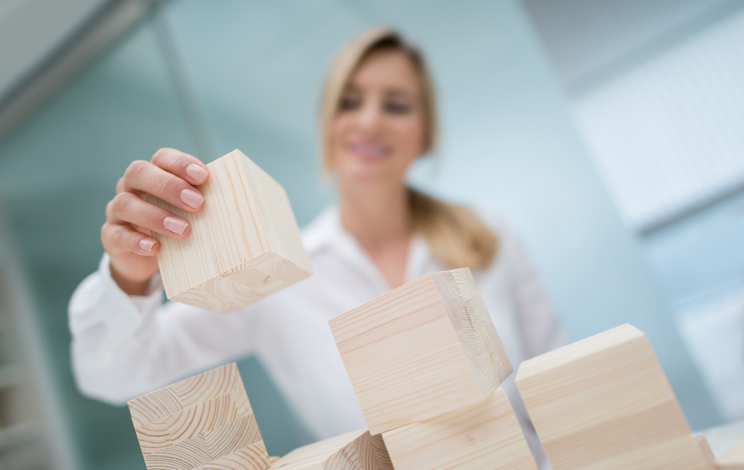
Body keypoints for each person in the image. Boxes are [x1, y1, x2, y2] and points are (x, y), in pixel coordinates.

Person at [69, 27, 567, 467]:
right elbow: (114, 377)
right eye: (350, 102)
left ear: (425, 135)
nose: (370, 120)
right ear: (328, 126)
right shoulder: (273, 274)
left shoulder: (490, 235)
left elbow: (561, 381)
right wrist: (129, 276)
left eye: (396, 104)